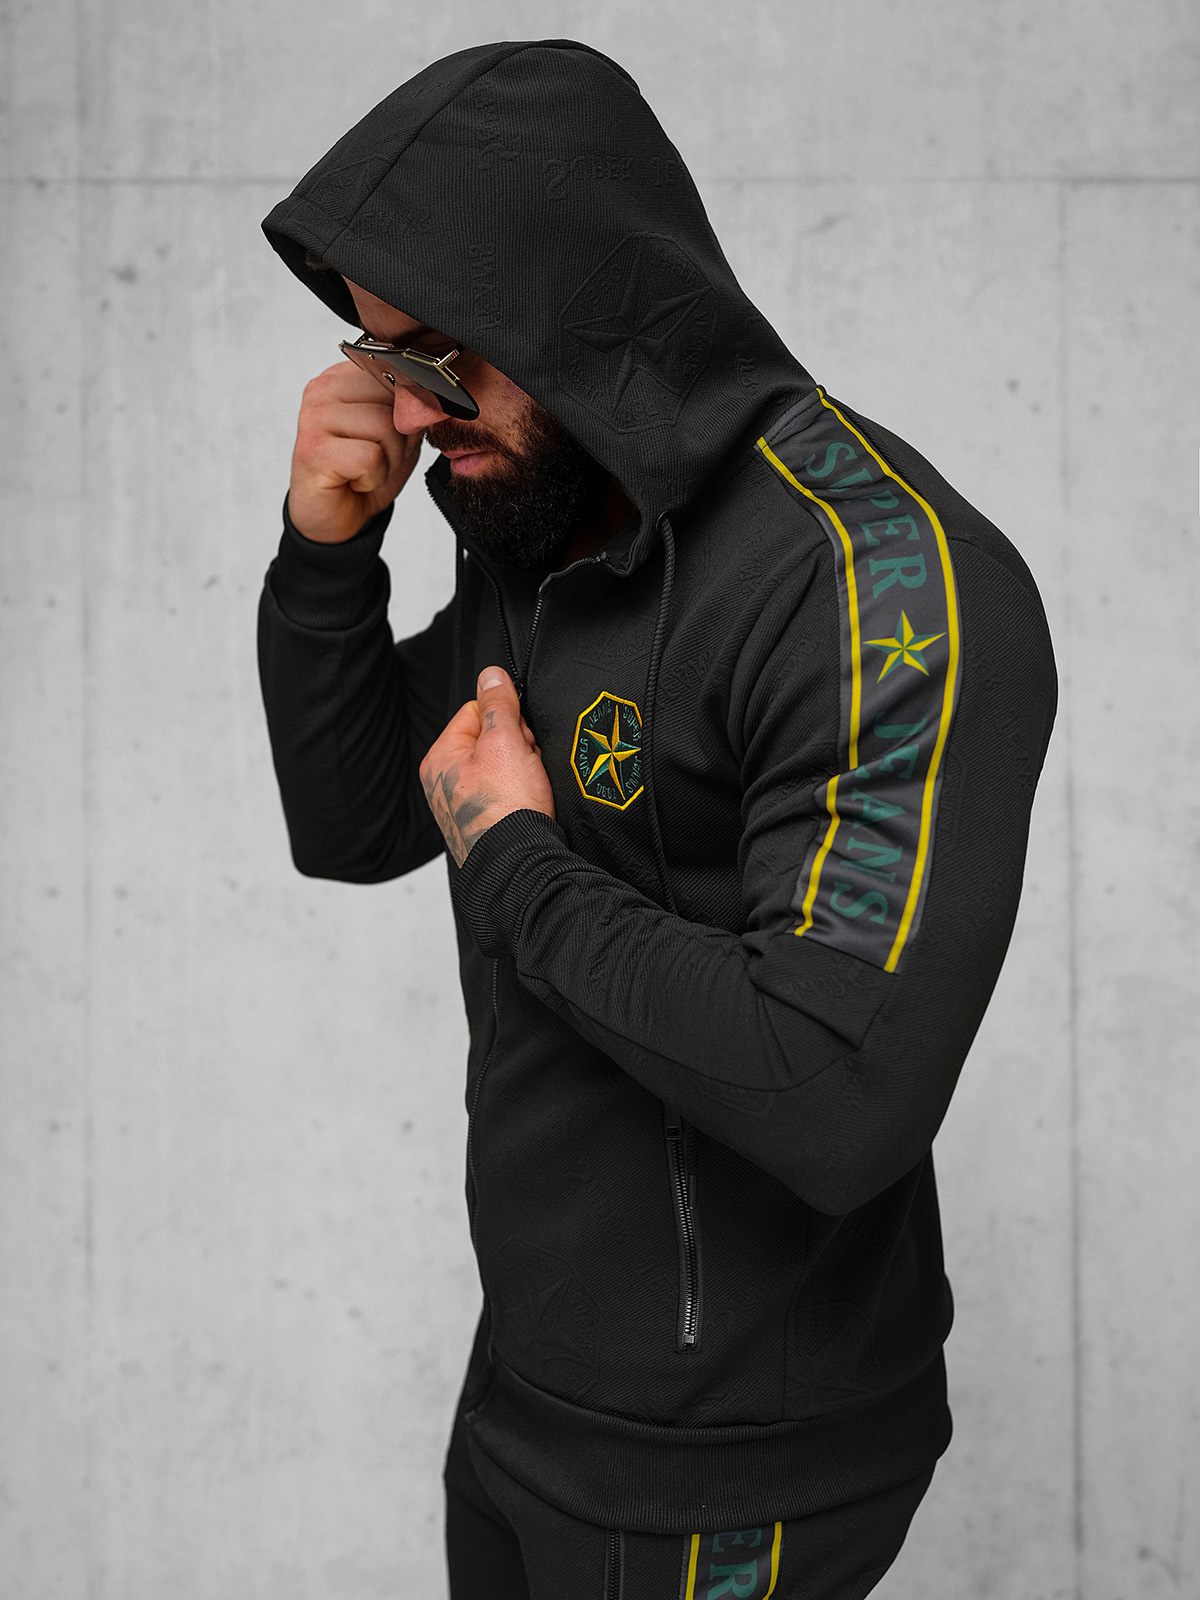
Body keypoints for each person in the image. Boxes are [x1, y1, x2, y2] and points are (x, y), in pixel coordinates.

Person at [257, 38, 1057, 1600]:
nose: (408, 414)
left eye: (440, 357)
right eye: (381, 360)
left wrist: (516, 858)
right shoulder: (545, 515)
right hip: (529, 1391)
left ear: (572, 300)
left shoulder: (877, 588)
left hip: (733, 1472)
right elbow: (355, 819)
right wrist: (324, 554)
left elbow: (838, 1091)